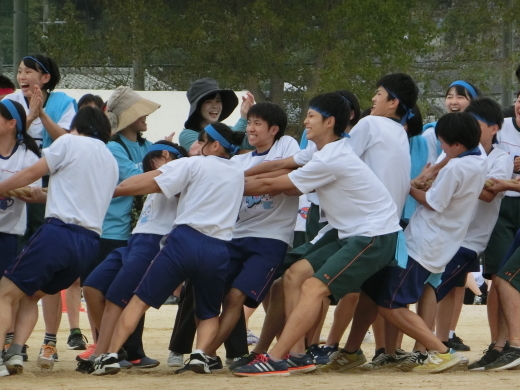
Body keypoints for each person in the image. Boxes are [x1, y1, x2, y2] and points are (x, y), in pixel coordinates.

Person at [231, 92, 402, 377]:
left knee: (314, 288)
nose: (305, 121)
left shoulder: (331, 159)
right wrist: (235, 173)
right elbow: (278, 165)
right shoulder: (322, 149)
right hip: (346, 232)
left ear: (329, 122)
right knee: (294, 274)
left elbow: (276, 185)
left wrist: (220, 184)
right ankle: (297, 355)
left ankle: (275, 357)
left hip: (373, 235)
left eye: (311, 116)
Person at [324, 112, 486, 374]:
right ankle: (351, 352)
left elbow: (433, 202)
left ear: (456, 144)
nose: (442, 148)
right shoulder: (475, 159)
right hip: (427, 241)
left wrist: (405, 186)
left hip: (422, 245)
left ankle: (441, 351)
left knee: (390, 303)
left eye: (444, 143)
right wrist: (431, 173)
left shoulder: (458, 167)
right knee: (371, 291)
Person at [91, 122, 245, 376]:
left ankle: (109, 355)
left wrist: (111, 190)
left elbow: (146, 182)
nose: (198, 146)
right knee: (208, 311)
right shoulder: (238, 171)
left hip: (184, 241)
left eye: (203, 141)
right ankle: (200, 355)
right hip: (218, 248)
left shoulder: (192, 163)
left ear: (215, 145)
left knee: (139, 301)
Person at [0, 106, 117, 377]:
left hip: (58, 233)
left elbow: (32, 173)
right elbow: (83, 194)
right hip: (88, 244)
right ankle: (16, 350)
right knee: (31, 294)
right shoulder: (109, 159)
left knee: (4, 294)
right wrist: (44, 197)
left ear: (77, 126)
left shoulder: (69, 141)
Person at [410, 98, 512, 369]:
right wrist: (437, 176)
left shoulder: (498, 158)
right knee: (443, 289)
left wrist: (460, 185)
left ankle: (431, 348)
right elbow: (440, 171)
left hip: (470, 239)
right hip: (452, 233)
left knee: (437, 288)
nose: (472, 129)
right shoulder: (463, 154)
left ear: (494, 128)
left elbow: (489, 196)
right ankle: (438, 342)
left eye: (477, 124)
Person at [202, 102, 299, 369]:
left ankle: (206, 354)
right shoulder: (238, 160)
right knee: (214, 293)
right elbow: (226, 185)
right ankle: (210, 353)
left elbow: (291, 174)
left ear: (274, 129)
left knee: (236, 297)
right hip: (236, 236)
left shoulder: (286, 145)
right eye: (249, 122)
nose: (250, 128)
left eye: (257, 123)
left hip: (271, 238)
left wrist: (243, 179)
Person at [76, 141, 187, 374]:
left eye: (151, 162)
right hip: (134, 239)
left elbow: (152, 186)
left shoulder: (182, 171)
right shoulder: (158, 175)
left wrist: (112, 189)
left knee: (117, 298)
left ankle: (104, 354)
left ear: (166, 155)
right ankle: (114, 349)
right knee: (92, 287)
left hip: (154, 242)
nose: (148, 168)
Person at [2, 54, 78, 358]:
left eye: (28, 71)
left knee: (42, 271)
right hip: (21, 181)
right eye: (19, 71)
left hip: (50, 187)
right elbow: (11, 134)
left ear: (45, 78)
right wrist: (29, 118)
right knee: (14, 268)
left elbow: (69, 142)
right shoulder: (11, 101)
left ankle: (50, 340)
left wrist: (41, 114)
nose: (22, 76)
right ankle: (10, 338)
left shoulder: (63, 102)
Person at [78, 86, 160, 368]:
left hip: (136, 232)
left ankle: (132, 350)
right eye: (141, 112)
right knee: (103, 290)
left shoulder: (147, 146)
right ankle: (111, 345)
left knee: (133, 291)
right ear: (128, 117)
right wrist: (165, 165)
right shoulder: (113, 147)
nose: (146, 116)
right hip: (110, 231)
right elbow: (137, 176)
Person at [483, 90, 520, 350]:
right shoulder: (501, 127)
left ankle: (513, 342)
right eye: (519, 98)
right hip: (502, 205)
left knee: (510, 276)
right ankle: (498, 343)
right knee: (498, 276)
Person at [179, 77, 254, 150]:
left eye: (218, 101)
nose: (215, 106)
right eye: (208, 102)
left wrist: (253, 116)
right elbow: (221, 148)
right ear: (198, 107)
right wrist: (243, 118)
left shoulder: (229, 129)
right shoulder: (187, 134)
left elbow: (255, 144)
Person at [422, 80, 481, 164]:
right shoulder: (432, 133)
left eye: (460, 97)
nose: (453, 102)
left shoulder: (483, 130)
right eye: (449, 97)